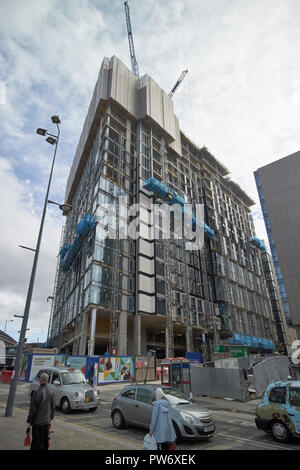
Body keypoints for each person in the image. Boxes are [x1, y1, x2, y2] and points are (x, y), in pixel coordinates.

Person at [26, 373, 55, 450]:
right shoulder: (51, 393)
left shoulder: (36, 393)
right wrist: (49, 423)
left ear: (40, 380)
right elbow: (52, 410)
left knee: (36, 444)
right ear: (47, 380)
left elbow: (32, 411)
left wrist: (29, 425)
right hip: (46, 424)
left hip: (37, 423)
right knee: (45, 444)